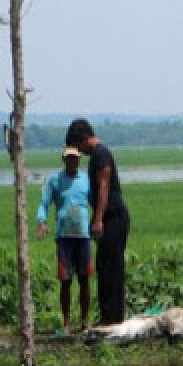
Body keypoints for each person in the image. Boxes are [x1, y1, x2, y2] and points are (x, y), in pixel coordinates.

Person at [66, 119, 130, 325]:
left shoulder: (101, 154)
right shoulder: (98, 154)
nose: (80, 152)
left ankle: (112, 318)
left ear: (84, 139)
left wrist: (98, 219)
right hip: (107, 215)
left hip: (112, 216)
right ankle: (109, 315)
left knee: (111, 267)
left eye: (78, 147)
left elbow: (103, 187)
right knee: (105, 266)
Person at [37, 146, 94, 334]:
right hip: (64, 237)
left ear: (79, 160)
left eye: (75, 158)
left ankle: (85, 321)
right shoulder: (55, 180)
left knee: (85, 280)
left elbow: (95, 201)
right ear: (64, 160)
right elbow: (44, 203)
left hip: (83, 235)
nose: (72, 161)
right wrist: (42, 222)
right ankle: (66, 322)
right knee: (66, 280)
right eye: (69, 158)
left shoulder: (86, 180)